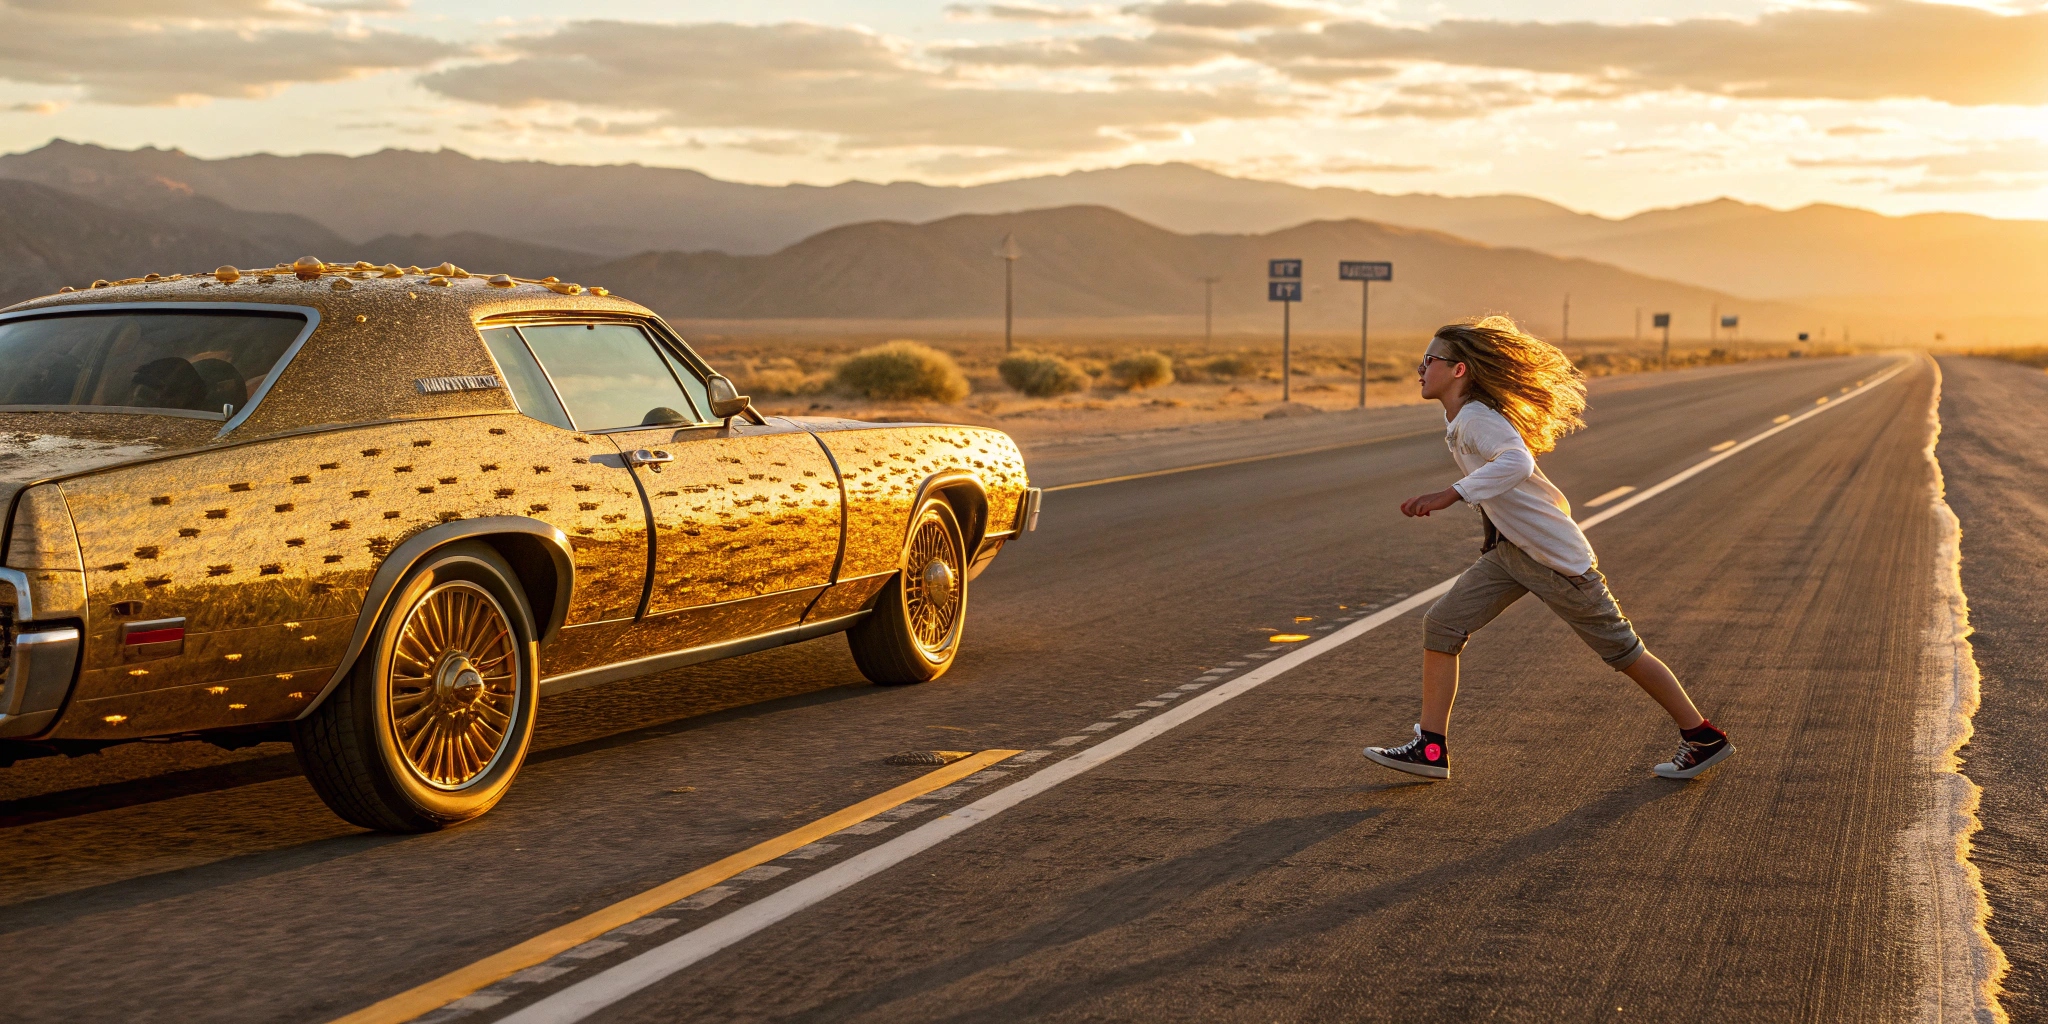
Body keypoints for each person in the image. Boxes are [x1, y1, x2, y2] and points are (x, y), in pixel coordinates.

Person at [1363, 316, 1733, 782]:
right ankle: (1431, 748)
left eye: (1429, 359)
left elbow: (1516, 461)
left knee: (1623, 651)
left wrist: (1450, 493)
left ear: (1459, 370)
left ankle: (1701, 735)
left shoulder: (1477, 418)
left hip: (1556, 562)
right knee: (1441, 626)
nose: (1421, 368)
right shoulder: (1461, 415)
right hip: (1513, 554)